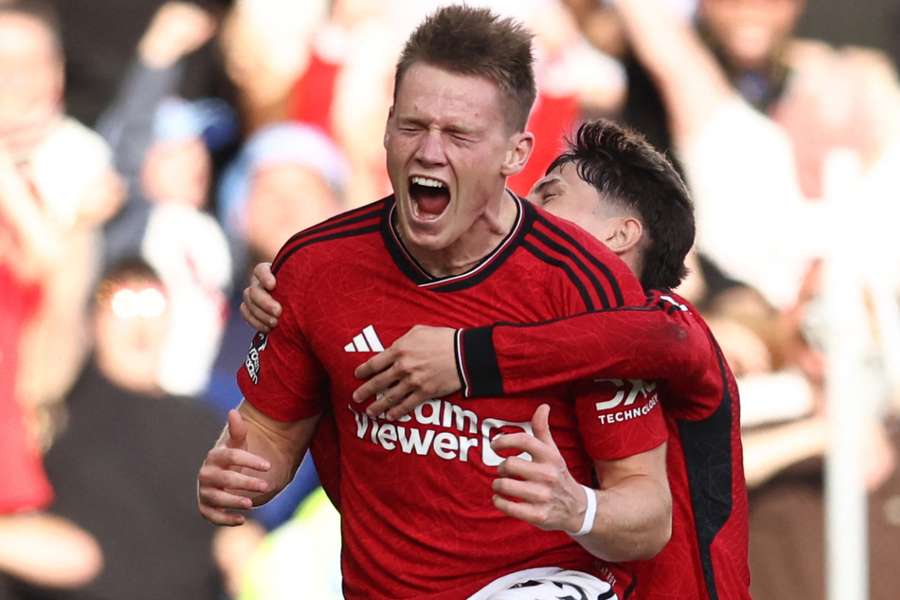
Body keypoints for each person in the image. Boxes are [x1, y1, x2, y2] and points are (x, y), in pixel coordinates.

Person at [198, 6, 672, 599]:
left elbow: (649, 515)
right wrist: (238, 475)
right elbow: (268, 440)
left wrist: (576, 507)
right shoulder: (316, 268)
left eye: (459, 135)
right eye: (413, 126)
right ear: (386, 128)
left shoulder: (585, 285)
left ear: (516, 154)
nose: (429, 152)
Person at [244, 119, 750, 599]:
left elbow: (648, 339)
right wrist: (298, 294)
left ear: (620, 234)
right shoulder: (534, 322)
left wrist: (464, 357)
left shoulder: (671, 320)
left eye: (548, 196)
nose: (523, 212)